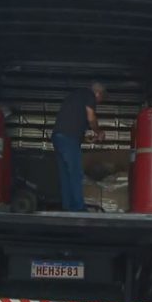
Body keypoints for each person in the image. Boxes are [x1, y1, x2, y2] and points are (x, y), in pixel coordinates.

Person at [52, 82, 106, 211]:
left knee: (66, 175)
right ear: (98, 93)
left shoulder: (75, 96)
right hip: (69, 138)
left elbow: (73, 121)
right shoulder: (89, 95)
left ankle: (68, 206)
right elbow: (91, 117)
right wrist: (99, 132)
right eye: (101, 99)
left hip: (58, 137)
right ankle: (79, 208)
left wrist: (86, 138)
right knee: (76, 173)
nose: (98, 102)